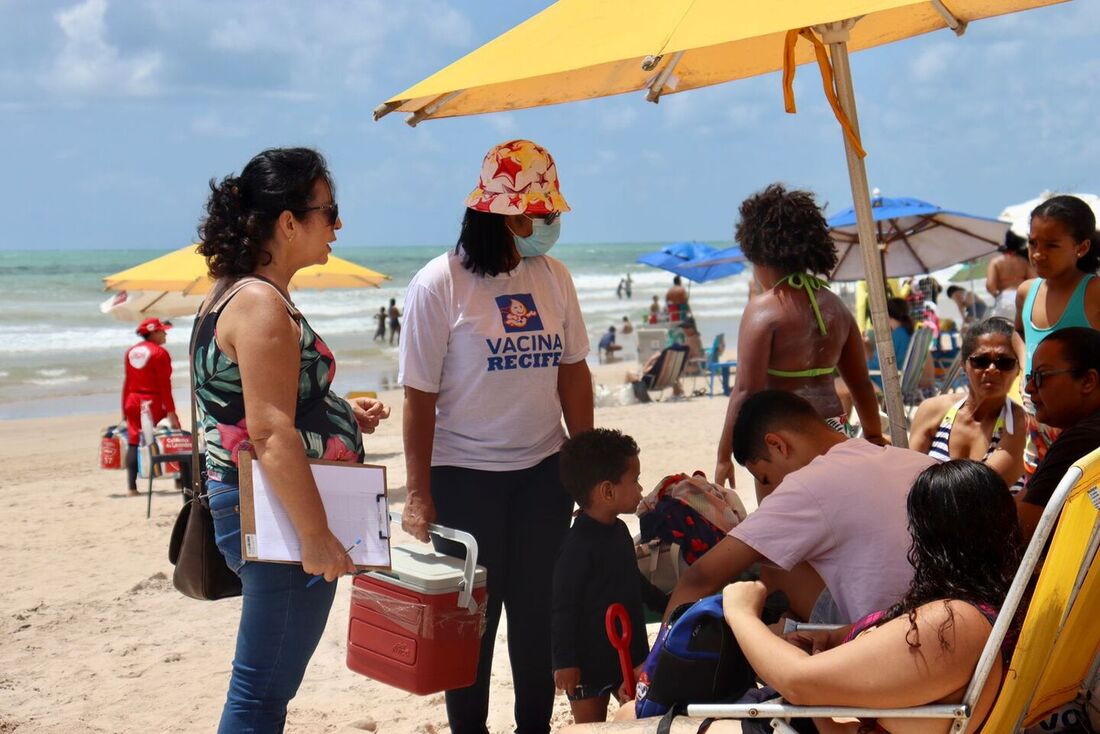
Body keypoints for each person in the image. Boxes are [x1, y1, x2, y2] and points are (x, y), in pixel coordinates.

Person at [399, 139, 593, 734]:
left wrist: (584, 466)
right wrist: (418, 491)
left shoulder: (553, 277)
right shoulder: (440, 284)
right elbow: (418, 396)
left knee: (534, 619)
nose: (551, 225)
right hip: (464, 480)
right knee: (472, 624)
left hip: (543, 475)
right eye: (545, 213)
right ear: (509, 215)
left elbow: (574, 371)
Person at [194, 147, 390, 732]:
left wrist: (339, 412)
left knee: (264, 686)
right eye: (329, 211)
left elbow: (261, 404)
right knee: (260, 693)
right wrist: (316, 535)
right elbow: (268, 430)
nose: (338, 226)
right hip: (279, 511)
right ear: (287, 222)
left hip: (258, 503)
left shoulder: (237, 292)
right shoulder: (259, 304)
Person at [671, 390, 935, 626]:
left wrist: (653, 668)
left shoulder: (808, 485)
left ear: (777, 445)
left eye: (766, 477)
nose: (773, 488)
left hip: (886, 636)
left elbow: (699, 578)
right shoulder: (908, 459)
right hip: (949, 622)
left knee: (776, 569)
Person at [716, 184, 885, 488]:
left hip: (780, 438)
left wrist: (724, 456)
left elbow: (745, 390)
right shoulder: (837, 307)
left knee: (782, 526)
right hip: (831, 430)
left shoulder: (763, 311)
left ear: (759, 253)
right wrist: (872, 433)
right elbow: (860, 382)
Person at [553, 429, 668, 724]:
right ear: (607, 491)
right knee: (591, 727)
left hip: (628, 652)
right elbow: (563, 607)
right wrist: (565, 662)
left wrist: (663, 602)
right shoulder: (576, 546)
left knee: (636, 720)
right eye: (635, 481)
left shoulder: (618, 532)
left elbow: (632, 579)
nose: (641, 489)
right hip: (587, 662)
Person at [1014, 195, 1100, 478]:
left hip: (1085, 425)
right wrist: (1024, 368)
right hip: (1037, 419)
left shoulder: (1093, 293)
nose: (1038, 253)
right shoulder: (1026, 292)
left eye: (1051, 245)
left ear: (1082, 247)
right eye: (1033, 243)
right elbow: (1018, 333)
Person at [909, 317, 1026, 493]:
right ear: (964, 365)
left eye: (1004, 362)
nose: (992, 368)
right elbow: (908, 477)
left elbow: (981, 492)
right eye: (981, 361)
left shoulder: (1021, 425)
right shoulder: (932, 410)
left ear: (1018, 369)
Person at [1015, 327, 1100, 540]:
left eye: (1041, 376)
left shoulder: (1083, 441)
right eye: (1030, 377)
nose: (1030, 388)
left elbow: (1023, 530)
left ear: (1088, 381)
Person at [121, 317, 180, 496]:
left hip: (132, 400)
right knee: (175, 436)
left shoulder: (131, 351)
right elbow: (165, 385)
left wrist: (124, 408)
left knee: (133, 439)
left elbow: (127, 381)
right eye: (163, 331)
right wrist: (171, 411)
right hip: (153, 403)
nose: (165, 334)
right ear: (153, 332)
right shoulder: (160, 353)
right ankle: (181, 481)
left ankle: (132, 487)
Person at [864, 297, 915, 389]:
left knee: (839, 384)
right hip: (898, 379)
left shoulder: (895, 336)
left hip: (885, 381)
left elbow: (878, 364)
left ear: (886, 315)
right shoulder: (907, 333)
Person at [989, 229, 1035, 319]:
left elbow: (990, 285)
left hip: (1004, 297)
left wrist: (998, 296)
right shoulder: (1023, 262)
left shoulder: (995, 262)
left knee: (1004, 329)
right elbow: (1033, 280)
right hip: (1022, 296)